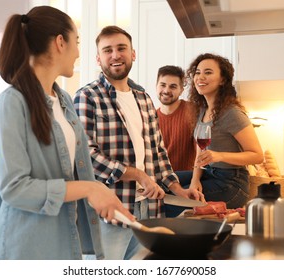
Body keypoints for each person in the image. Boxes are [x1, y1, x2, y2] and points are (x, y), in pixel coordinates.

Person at [0, 6, 133, 260]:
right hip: (23, 251)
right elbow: (15, 188)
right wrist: (90, 189)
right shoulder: (11, 104)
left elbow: (75, 172)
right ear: (60, 43)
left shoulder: (63, 99)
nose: (78, 52)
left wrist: (104, 195)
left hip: (64, 247)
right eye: (76, 42)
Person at [74, 25, 204, 260]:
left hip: (150, 209)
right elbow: (85, 156)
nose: (115, 55)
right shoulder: (87, 96)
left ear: (133, 53)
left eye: (121, 48)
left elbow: (158, 152)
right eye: (108, 50)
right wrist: (138, 175)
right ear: (98, 58)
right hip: (113, 209)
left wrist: (178, 190)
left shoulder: (143, 98)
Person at [178, 53, 264, 209]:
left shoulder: (231, 113)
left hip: (232, 184)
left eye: (208, 72)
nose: (200, 77)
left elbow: (257, 155)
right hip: (209, 173)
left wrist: (219, 156)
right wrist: (195, 180)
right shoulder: (202, 110)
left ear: (223, 80)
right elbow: (201, 151)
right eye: (198, 72)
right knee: (166, 181)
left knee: (175, 198)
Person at [156, 65, 197, 171]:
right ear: (156, 86)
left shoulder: (193, 111)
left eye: (173, 86)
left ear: (181, 90)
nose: (166, 90)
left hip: (188, 180)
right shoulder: (150, 118)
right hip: (160, 182)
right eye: (162, 85)